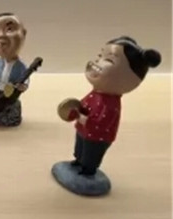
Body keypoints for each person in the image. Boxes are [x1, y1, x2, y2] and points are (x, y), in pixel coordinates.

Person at [60, 36, 161, 176]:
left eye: (108, 60)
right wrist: (75, 109)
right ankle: (78, 160)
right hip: (83, 130)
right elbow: (83, 106)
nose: (97, 62)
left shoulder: (110, 105)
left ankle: (88, 170)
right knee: (80, 147)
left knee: (91, 153)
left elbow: (98, 122)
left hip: (97, 136)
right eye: (100, 56)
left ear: (128, 79)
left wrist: (78, 116)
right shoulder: (95, 94)